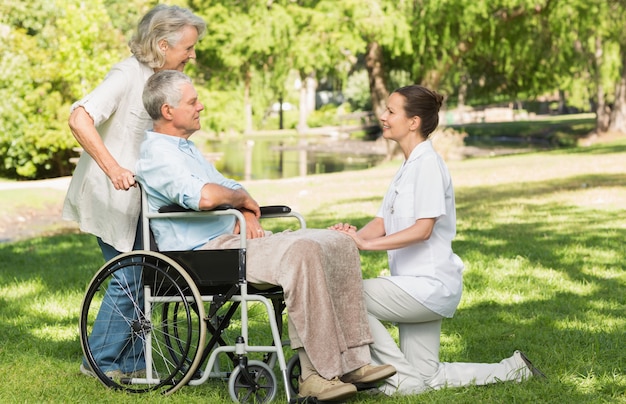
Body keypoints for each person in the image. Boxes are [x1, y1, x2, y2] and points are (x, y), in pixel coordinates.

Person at [134, 70, 396, 402]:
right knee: (303, 251)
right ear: (168, 111)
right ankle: (315, 375)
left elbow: (228, 187)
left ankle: (353, 361)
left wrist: (243, 208)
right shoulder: (157, 155)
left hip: (233, 241)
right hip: (205, 252)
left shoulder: (185, 149)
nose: (201, 106)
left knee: (339, 241)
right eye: (193, 101)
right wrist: (241, 202)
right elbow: (206, 197)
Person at [330, 85, 546, 396]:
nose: (383, 116)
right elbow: (382, 222)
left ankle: (398, 376)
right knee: (428, 374)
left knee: (347, 294)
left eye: (391, 111)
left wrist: (364, 246)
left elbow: (423, 230)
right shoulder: (408, 167)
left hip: (428, 286)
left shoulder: (428, 165)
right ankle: (514, 369)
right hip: (413, 284)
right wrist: (349, 239)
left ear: (413, 122)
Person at [62, 5, 206, 379]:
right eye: (187, 48)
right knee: (129, 274)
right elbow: (79, 117)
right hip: (110, 193)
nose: (193, 55)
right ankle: (100, 362)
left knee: (142, 274)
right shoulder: (127, 74)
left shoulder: (162, 80)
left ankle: (129, 361)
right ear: (162, 45)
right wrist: (113, 168)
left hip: (140, 199)